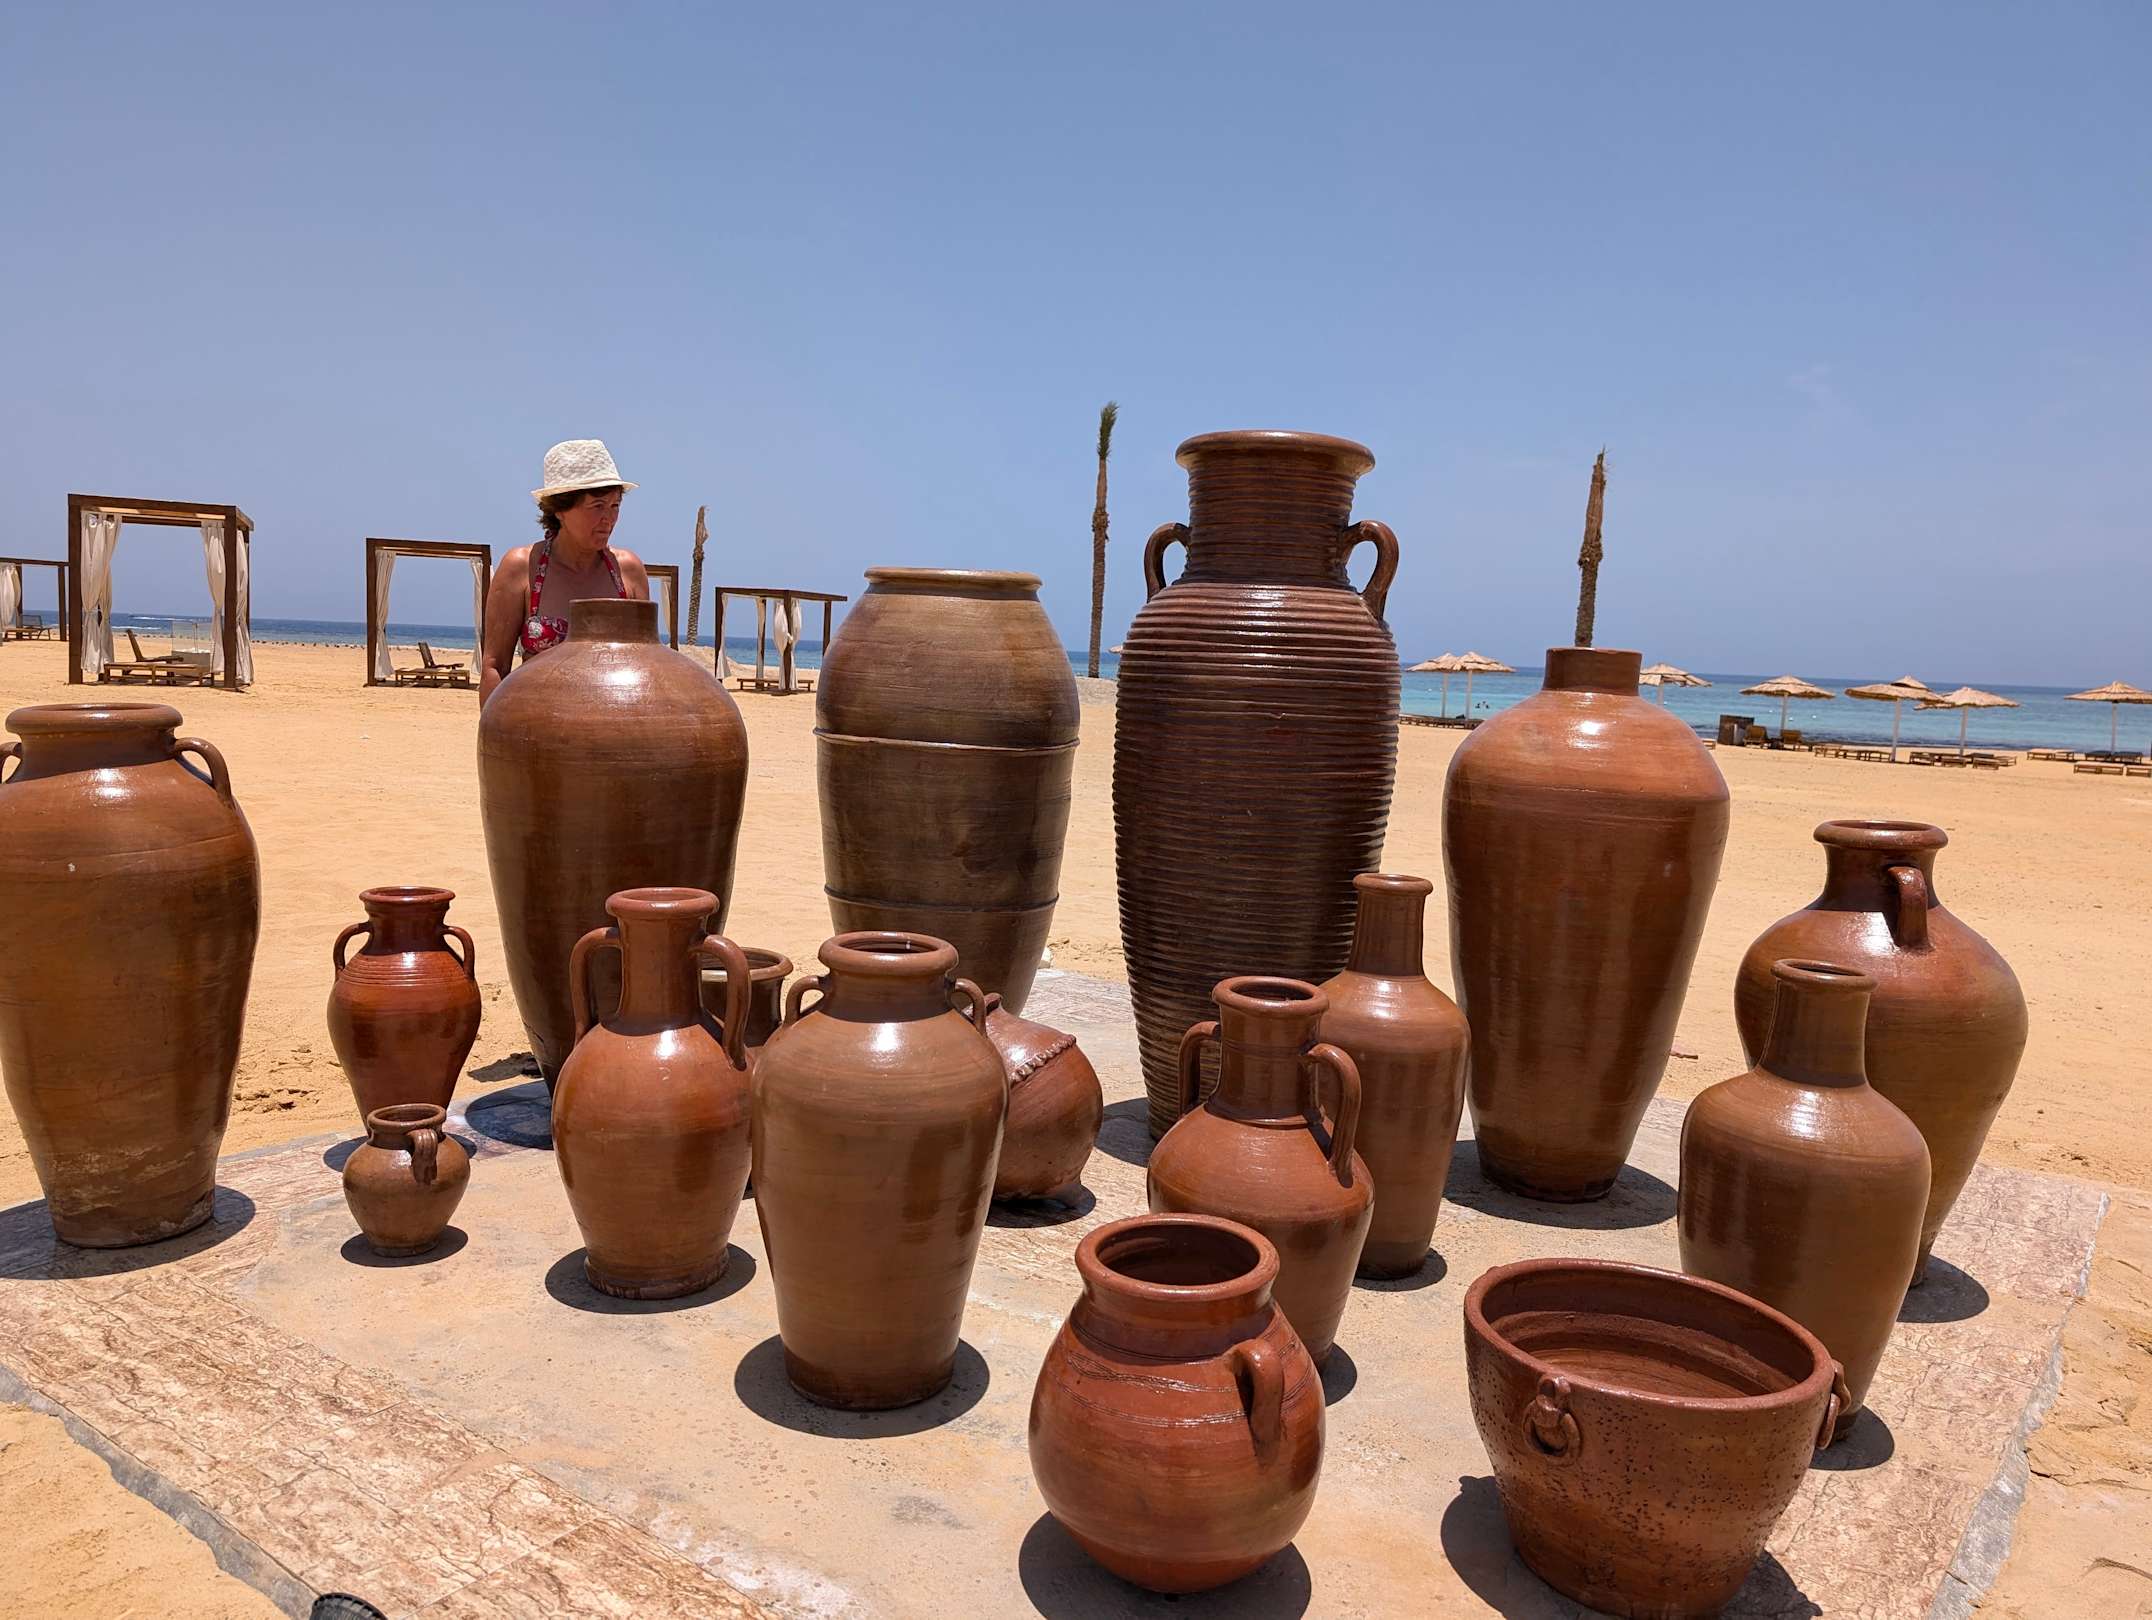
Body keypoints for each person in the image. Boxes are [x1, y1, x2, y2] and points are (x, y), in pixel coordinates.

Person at [480, 439, 652, 701]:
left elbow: (646, 663)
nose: (608, 519)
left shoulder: (628, 570)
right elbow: (495, 667)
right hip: (537, 719)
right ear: (560, 509)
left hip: (612, 721)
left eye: (615, 506)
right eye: (597, 506)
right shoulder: (523, 567)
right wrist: (492, 725)